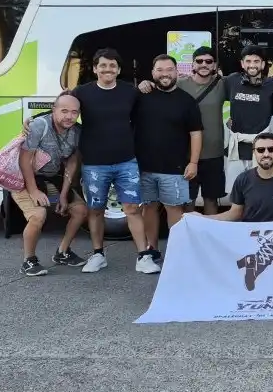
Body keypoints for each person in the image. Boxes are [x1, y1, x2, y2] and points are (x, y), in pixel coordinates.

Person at [73, 48, 150, 274]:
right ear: (95, 69)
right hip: (94, 164)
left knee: (133, 209)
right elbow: (61, 112)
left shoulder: (130, 92)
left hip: (126, 161)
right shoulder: (81, 92)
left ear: (118, 69)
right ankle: (98, 255)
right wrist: (32, 123)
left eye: (112, 66)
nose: (108, 69)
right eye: (103, 65)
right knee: (95, 210)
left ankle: (143, 256)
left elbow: (143, 118)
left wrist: (146, 85)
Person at [135, 55, 203, 261]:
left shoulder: (187, 101)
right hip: (144, 166)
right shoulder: (141, 96)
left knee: (174, 209)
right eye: (160, 70)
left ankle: (175, 251)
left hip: (175, 167)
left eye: (169, 69)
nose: (165, 74)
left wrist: (193, 162)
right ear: (153, 73)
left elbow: (196, 133)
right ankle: (152, 248)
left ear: (177, 72)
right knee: (149, 208)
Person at [15, 93, 89, 276]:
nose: (69, 116)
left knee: (80, 210)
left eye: (74, 112)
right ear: (53, 110)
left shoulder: (77, 132)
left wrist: (63, 194)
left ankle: (62, 252)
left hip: (50, 176)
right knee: (38, 215)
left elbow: (71, 163)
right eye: (64, 111)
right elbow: (25, 161)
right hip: (23, 177)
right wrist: (33, 191)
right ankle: (29, 261)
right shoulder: (40, 125)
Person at [211, 133, 273, 222]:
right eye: (260, 150)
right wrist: (204, 218)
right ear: (254, 152)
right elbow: (235, 213)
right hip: (251, 238)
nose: (266, 154)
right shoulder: (242, 179)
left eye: (271, 149)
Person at [175, 46, 227, 215]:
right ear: (193, 64)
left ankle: (209, 237)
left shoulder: (222, 85)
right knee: (187, 200)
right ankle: (190, 238)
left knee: (211, 199)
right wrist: (146, 84)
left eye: (208, 61)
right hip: (185, 154)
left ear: (214, 65)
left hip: (214, 154)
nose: (204, 64)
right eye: (199, 61)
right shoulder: (180, 84)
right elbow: (159, 86)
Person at [224, 45, 273, 171]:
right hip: (237, 147)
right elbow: (211, 88)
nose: (252, 65)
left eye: (256, 61)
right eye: (248, 61)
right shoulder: (231, 81)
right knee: (235, 188)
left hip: (264, 149)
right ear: (242, 64)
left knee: (263, 187)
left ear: (263, 64)